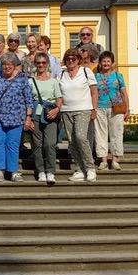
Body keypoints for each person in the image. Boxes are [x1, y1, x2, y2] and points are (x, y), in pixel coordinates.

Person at [0, 52, 33, 182]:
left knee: (12, 145)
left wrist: (28, 117)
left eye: (10, 64)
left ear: (14, 65)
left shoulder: (22, 78)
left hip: (16, 118)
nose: (7, 67)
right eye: (4, 64)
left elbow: (28, 99)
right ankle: (0, 170)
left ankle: (13, 171)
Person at [59, 48, 99, 182]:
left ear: (78, 60)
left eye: (73, 58)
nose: (71, 61)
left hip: (83, 109)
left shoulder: (86, 72)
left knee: (81, 137)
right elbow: (58, 94)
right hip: (66, 110)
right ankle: (79, 169)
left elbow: (94, 92)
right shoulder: (61, 74)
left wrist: (94, 109)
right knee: (72, 141)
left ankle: (90, 167)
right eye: (68, 58)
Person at [27, 52, 62, 184]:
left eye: (43, 62)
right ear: (35, 64)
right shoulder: (30, 81)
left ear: (47, 64)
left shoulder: (53, 81)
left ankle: (50, 171)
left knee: (50, 143)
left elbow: (59, 99)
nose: (41, 65)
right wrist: (28, 118)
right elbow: (27, 100)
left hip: (49, 115)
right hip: (35, 114)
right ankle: (40, 170)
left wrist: (56, 110)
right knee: (37, 144)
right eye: (38, 62)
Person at [95, 51, 130, 171]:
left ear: (112, 62)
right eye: (103, 61)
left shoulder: (118, 76)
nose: (106, 63)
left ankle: (115, 160)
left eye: (108, 61)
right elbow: (93, 93)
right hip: (100, 107)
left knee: (117, 133)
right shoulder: (96, 76)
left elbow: (123, 93)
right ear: (100, 63)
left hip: (117, 107)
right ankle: (103, 161)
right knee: (100, 134)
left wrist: (127, 109)